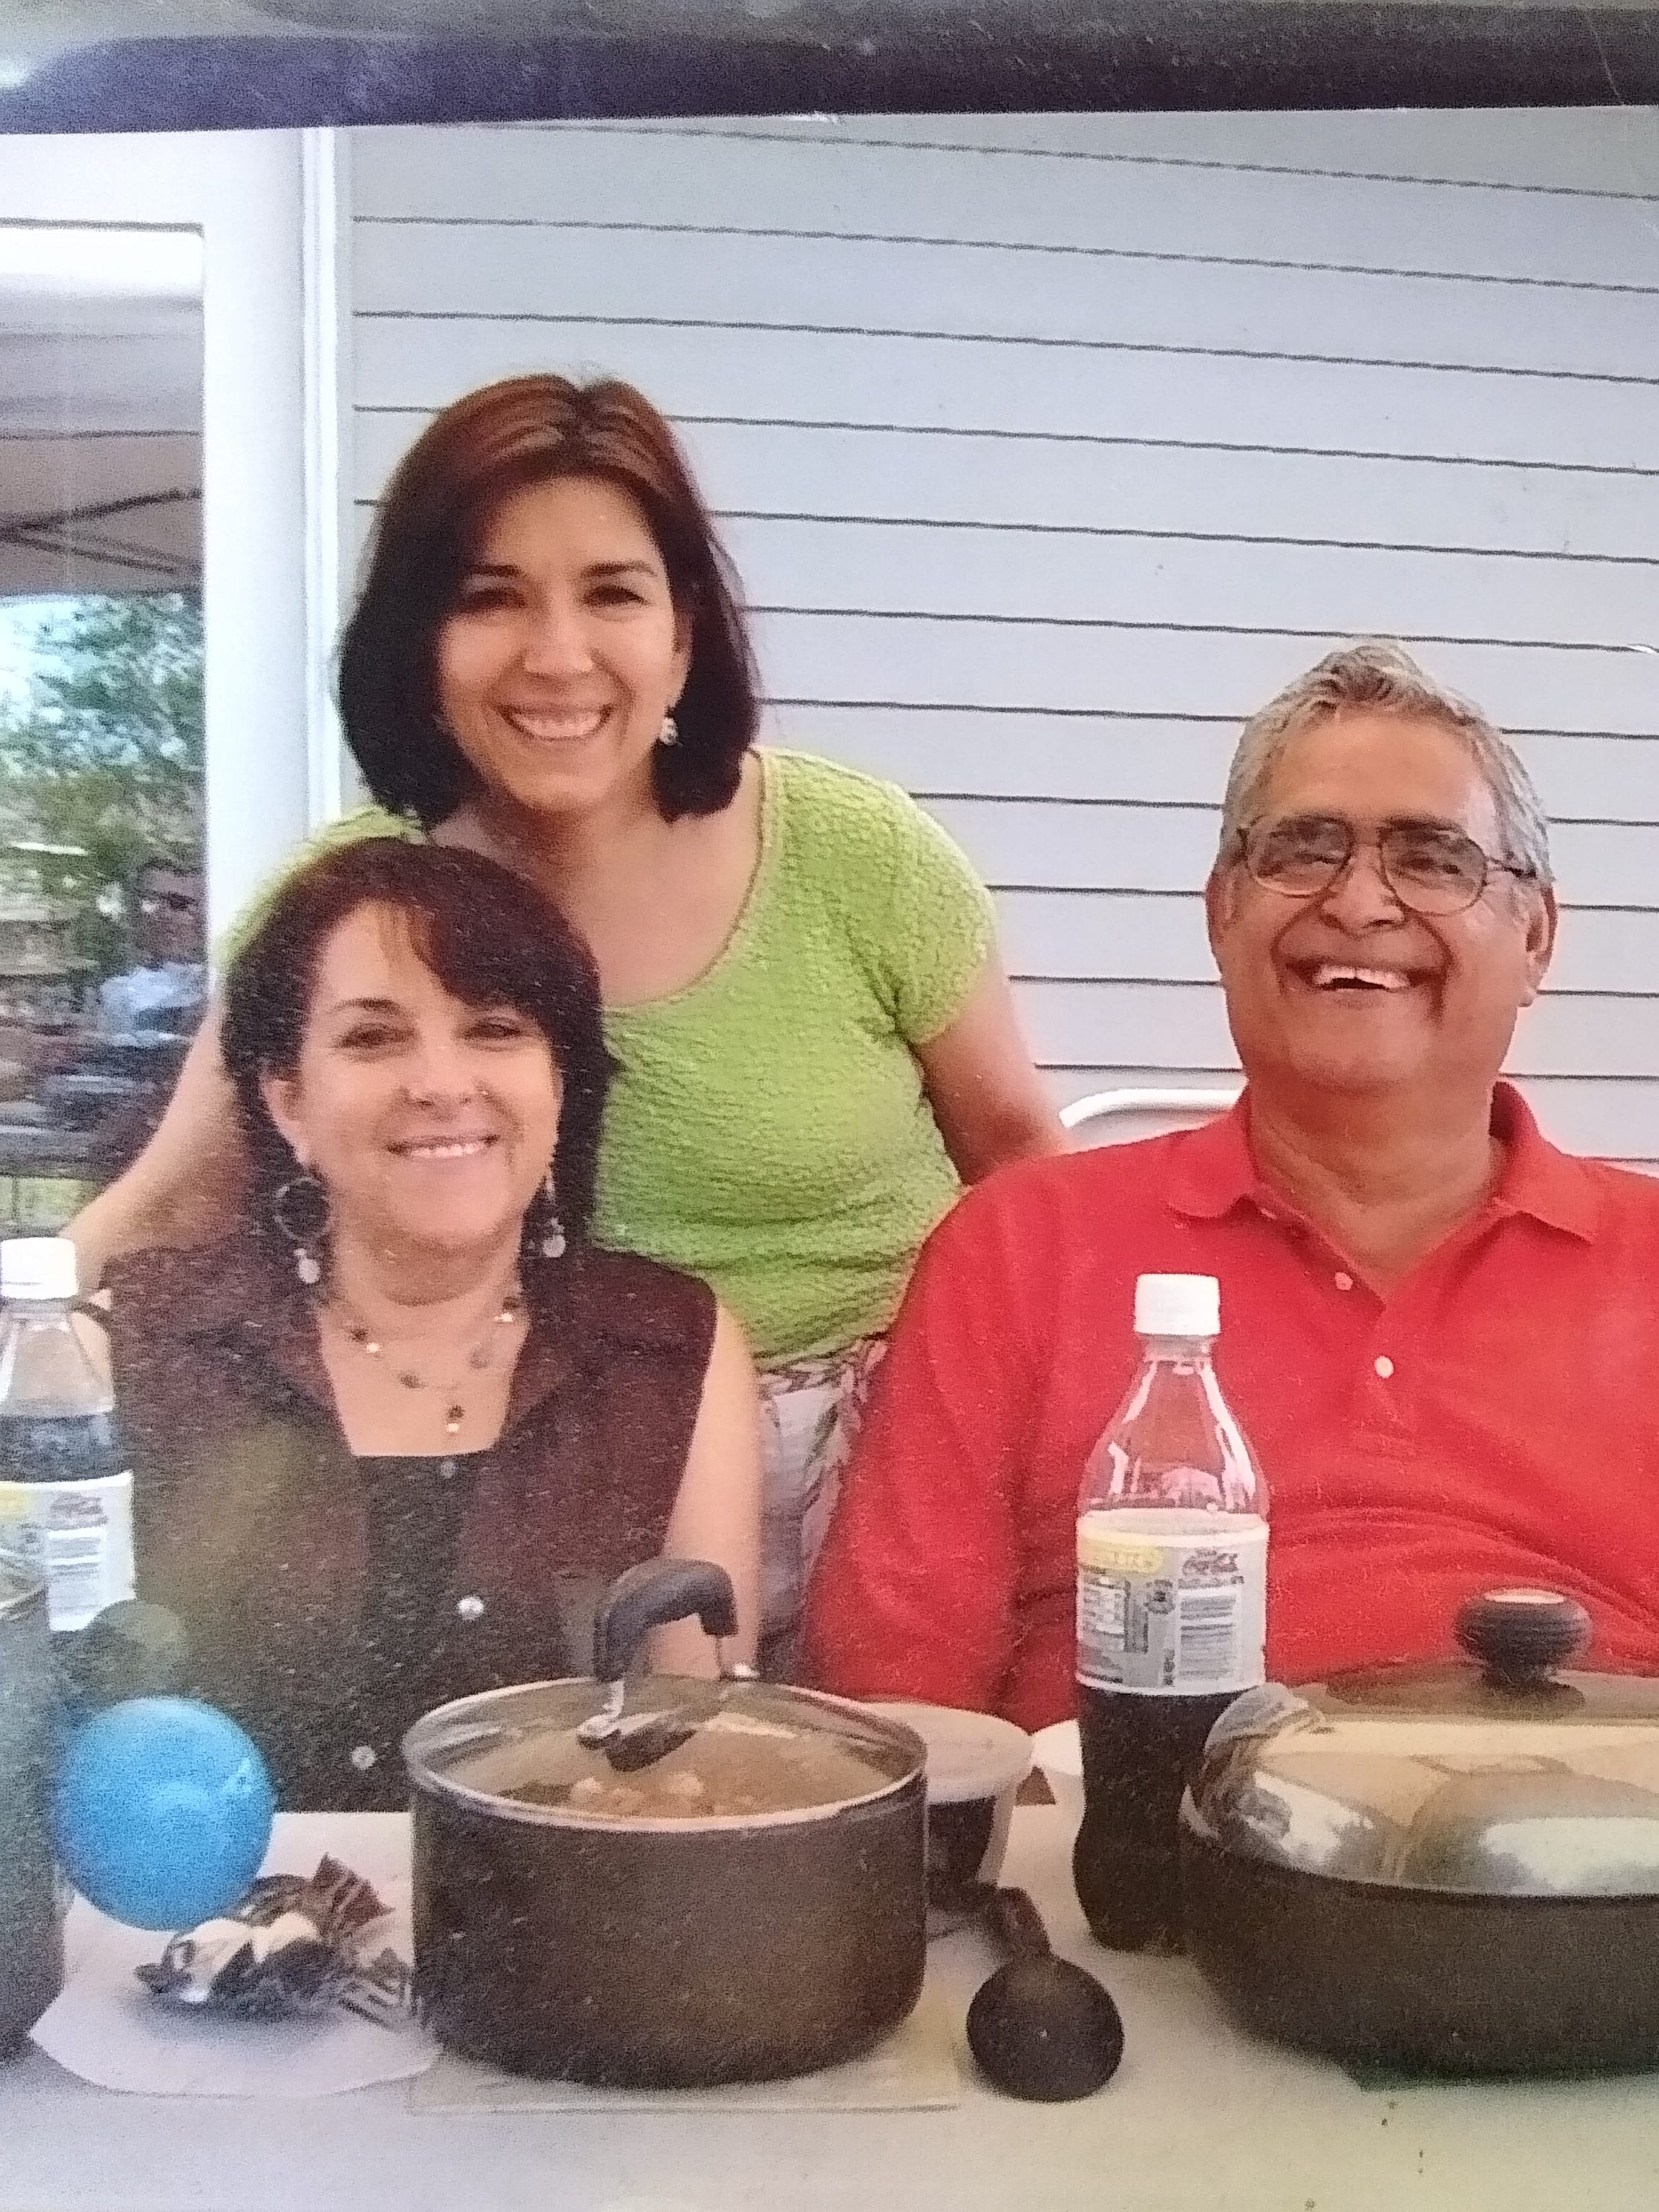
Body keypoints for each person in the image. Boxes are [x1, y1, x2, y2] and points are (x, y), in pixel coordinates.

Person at [71, 374, 1065, 1663]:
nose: (556, 654)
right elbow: (171, 1204)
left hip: (902, 1477)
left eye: (612, 593)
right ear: (419, 642)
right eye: (492, 597)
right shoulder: (347, 911)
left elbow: (1022, 1168)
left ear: (684, 635)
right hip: (556, 1481)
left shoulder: (859, 854)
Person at [803, 639, 1659, 1725]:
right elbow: (897, 1698)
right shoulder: (1020, 1248)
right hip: (1140, 1826)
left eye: (1432, 858)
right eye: (1305, 848)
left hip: (1604, 1823)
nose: (1361, 901)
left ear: (1536, 938)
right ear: (1221, 912)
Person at [104, 840, 761, 1810]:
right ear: (288, 1099)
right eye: (373, 1038)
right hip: (210, 1903)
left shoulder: (670, 1350)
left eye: (494, 1029)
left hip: (564, 1892)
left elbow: (692, 1757)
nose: (442, 1084)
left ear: (559, 1083)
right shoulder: (138, 1345)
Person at [91, 856, 206, 1043]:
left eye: (179, 904)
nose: (164, 914)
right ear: (132, 911)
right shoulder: (114, 991)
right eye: (150, 901)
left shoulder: (218, 984)